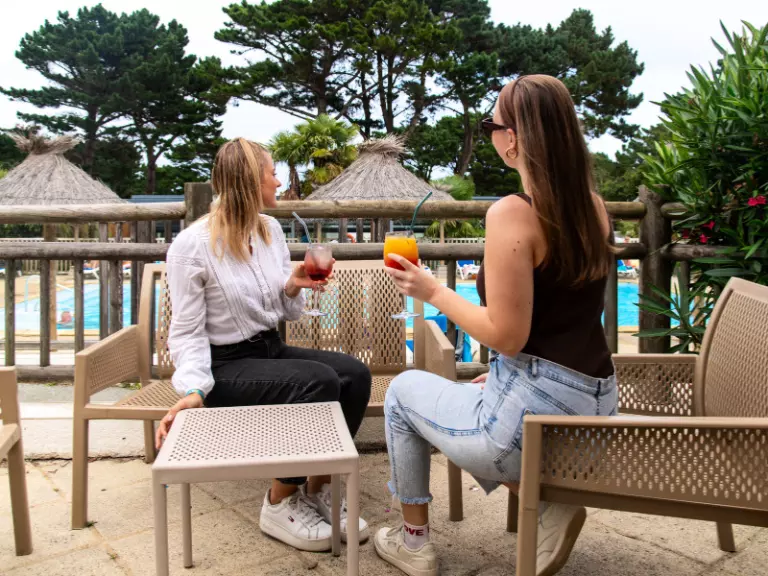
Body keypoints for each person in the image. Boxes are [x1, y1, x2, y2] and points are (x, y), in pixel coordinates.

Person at [374, 75, 617, 576]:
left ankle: (413, 543)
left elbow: (507, 336)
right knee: (474, 394)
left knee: (401, 393)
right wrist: (510, 374)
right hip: (595, 411)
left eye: (491, 125)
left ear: (515, 139)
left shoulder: (511, 213)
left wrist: (432, 291)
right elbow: (561, 320)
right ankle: (545, 503)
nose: (490, 135)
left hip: (534, 425)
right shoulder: (594, 208)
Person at [155, 137, 372, 552]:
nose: (279, 181)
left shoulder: (269, 229)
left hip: (268, 350)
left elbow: (280, 310)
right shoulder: (192, 246)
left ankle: (317, 488)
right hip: (224, 366)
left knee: (354, 374)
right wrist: (195, 388)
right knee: (318, 382)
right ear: (250, 180)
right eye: (272, 173)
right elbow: (185, 332)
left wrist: (292, 285)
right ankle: (279, 502)